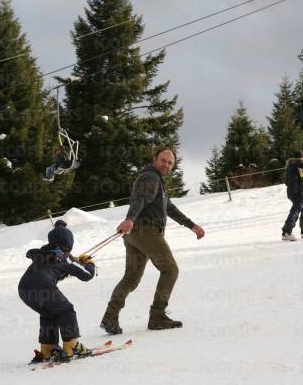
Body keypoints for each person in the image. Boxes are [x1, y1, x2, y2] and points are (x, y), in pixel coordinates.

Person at [100, 148, 205, 334]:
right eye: (163, 160)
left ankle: (110, 316)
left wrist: (191, 225)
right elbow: (140, 199)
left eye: (170, 163)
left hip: (134, 234)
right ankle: (157, 316)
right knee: (170, 269)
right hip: (145, 231)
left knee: (131, 278)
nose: (166, 164)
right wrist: (130, 219)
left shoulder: (156, 180)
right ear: (154, 159)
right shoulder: (151, 177)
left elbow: (169, 208)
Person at [18, 220, 96, 363]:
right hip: (43, 286)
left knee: (49, 313)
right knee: (66, 311)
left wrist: (74, 262)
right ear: (69, 243)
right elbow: (87, 275)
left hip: (24, 288)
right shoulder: (65, 257)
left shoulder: (43, 252)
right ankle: (72, 345)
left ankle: (47, 349)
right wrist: (88, 262)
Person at [282, 151, 303, 241]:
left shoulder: (289, 167)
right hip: (300, 193)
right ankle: (286, 232)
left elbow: (286, 181)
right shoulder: (301, 166)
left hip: (291, 193)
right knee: (296, 210)